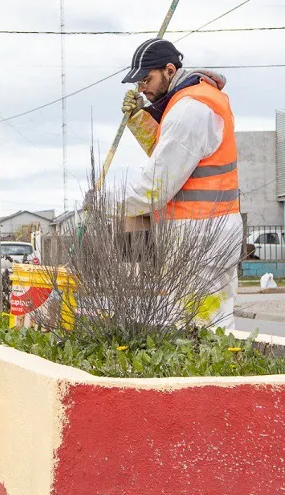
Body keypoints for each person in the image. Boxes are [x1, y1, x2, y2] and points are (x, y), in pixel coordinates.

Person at [119, 38, 242, 329]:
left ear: (170, 70)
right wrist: (140, 119)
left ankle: (211, 374)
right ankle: (222, 372)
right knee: (216, 323)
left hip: (200, 232)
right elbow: (168, 152)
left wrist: (105, 203)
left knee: (194, 326)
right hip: (211, 227)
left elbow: (157, 186)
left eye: (146, 79)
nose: (142, 89)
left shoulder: (190, 108)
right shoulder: (191, 101)